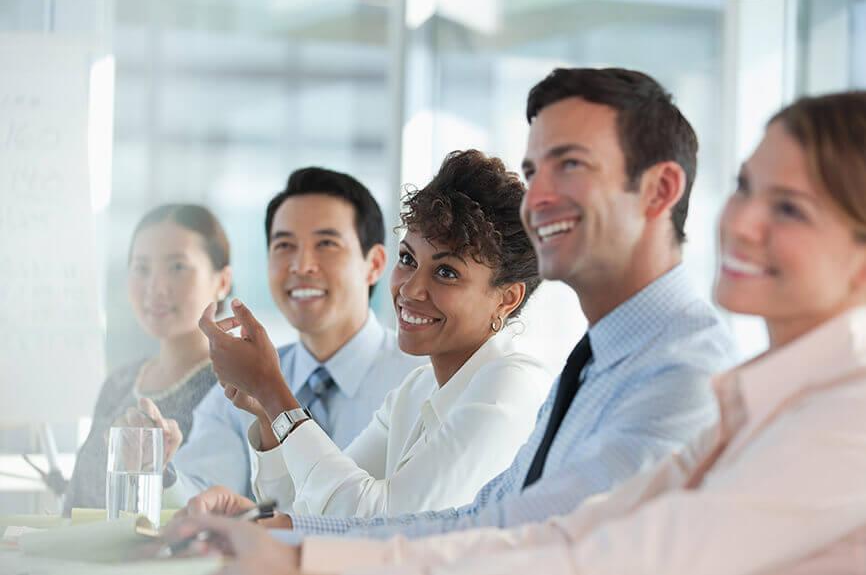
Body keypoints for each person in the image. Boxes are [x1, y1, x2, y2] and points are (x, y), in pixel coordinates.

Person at [180, 90, 866, 575]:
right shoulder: (736, 394)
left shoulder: (834, 420)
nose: (740, 222)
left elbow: (589, 557)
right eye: (746, 187)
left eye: (790, 208)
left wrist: (300, 542)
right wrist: (293, 539)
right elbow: (517, 525)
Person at [197, 149, 551, 518]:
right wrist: (268, 413)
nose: (410, 289)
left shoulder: (510, 387)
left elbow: (380, 522)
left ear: (507, 298)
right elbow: (314, 513)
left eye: (446, 272)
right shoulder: (416, 390)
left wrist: (274, 392)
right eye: (408, 260)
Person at [163, 168, 426, 504]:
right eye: (284, 245)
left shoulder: (418, 379)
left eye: (326, 244)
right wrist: (162, 470)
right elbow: (204, 498)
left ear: (374, 264)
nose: (301, 266)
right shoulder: (238, 387)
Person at [63, 204, 232, 513]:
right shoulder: (119, 382)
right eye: (142, 268)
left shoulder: (233, 388)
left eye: (177, 267)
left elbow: (222, 512)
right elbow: (73, 507)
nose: (155, 287)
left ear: (222, 282)